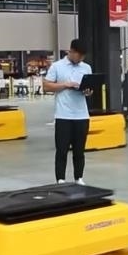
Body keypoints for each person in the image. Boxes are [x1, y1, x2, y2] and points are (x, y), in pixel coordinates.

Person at [43, 39, 93, 184]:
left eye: (83, 56)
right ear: (71, 51)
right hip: (63, 115)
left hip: (82, 115)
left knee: (79, 151)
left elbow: (89, 89)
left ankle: (79, 178)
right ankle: (61, 180)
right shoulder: (57, 66)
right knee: (62, 150)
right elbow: (46, 86)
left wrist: (88, 91)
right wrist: (65, 85)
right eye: (79, 55)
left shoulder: (86, 68)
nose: (81, 59)